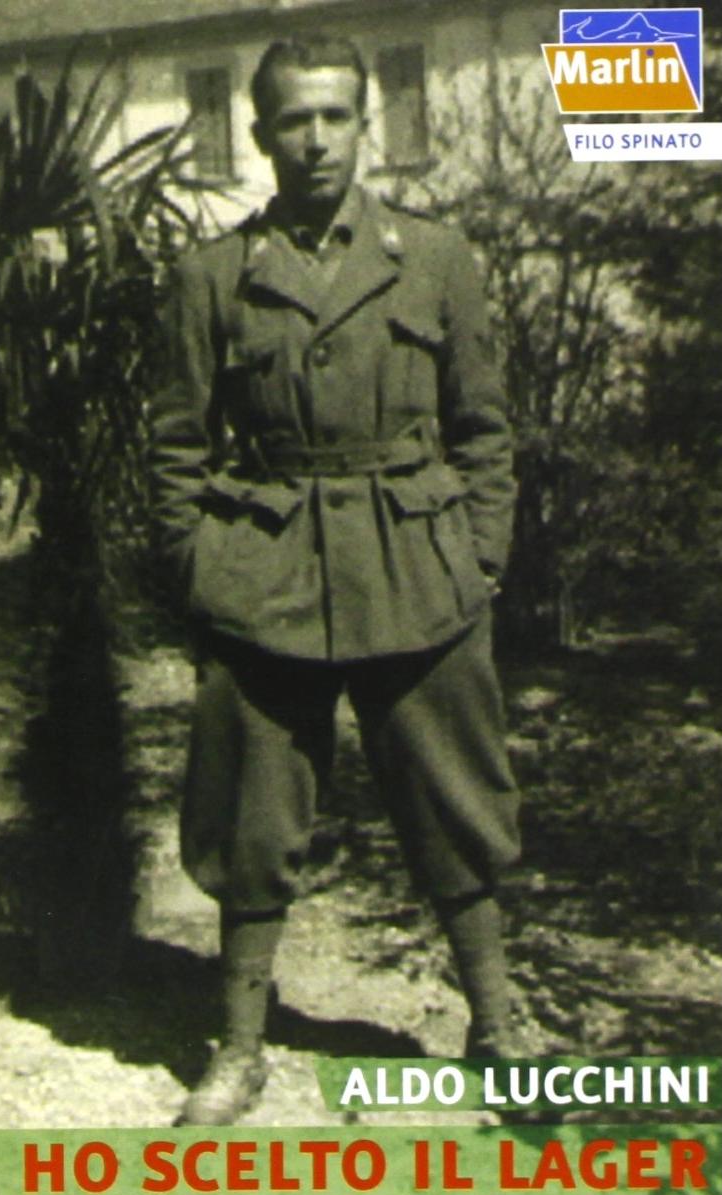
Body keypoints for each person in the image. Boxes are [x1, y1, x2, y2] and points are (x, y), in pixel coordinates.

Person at [150, 34, 523, 1125]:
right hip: (264, 573)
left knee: (455, 796)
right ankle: (238, 1047)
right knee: (251, 813)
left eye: (335, 117)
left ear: (363, 125)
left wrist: (479, 558)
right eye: (294, 120)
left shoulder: (435, 258)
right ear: (260, 135)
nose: (315, 140)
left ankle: (498, 1024)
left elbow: (482, 429)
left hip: (419, 566)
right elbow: (175, 448)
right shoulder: (213, 277)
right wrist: (200, 570)